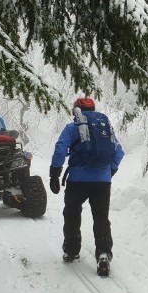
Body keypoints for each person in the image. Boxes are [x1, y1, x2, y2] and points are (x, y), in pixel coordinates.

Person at [49, 98, 124, 277]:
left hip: (77, 181)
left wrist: (54, 173)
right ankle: (104, 253)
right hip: (102, 182)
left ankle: (72, 250)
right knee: (101, 218)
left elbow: (60, 149)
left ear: (76, 110)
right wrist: (109, 171)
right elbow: (119, 152)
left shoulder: (72, 128)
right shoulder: (105, 128)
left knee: (72, 214)